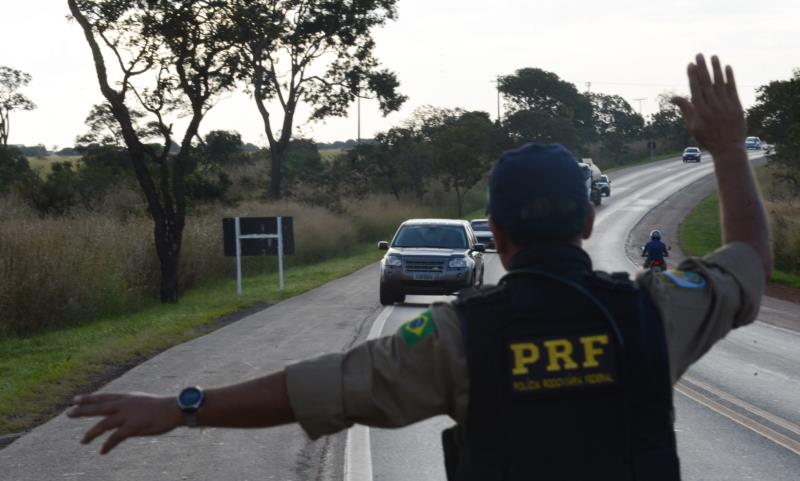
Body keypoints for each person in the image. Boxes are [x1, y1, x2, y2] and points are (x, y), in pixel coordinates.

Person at [68, 54, 771, 480]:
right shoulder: (654, 310)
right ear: (590, 221)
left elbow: (316, 389)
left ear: (492, 231)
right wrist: (730, 150)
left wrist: (182, 407)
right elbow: (746, 265)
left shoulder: (454, 339)